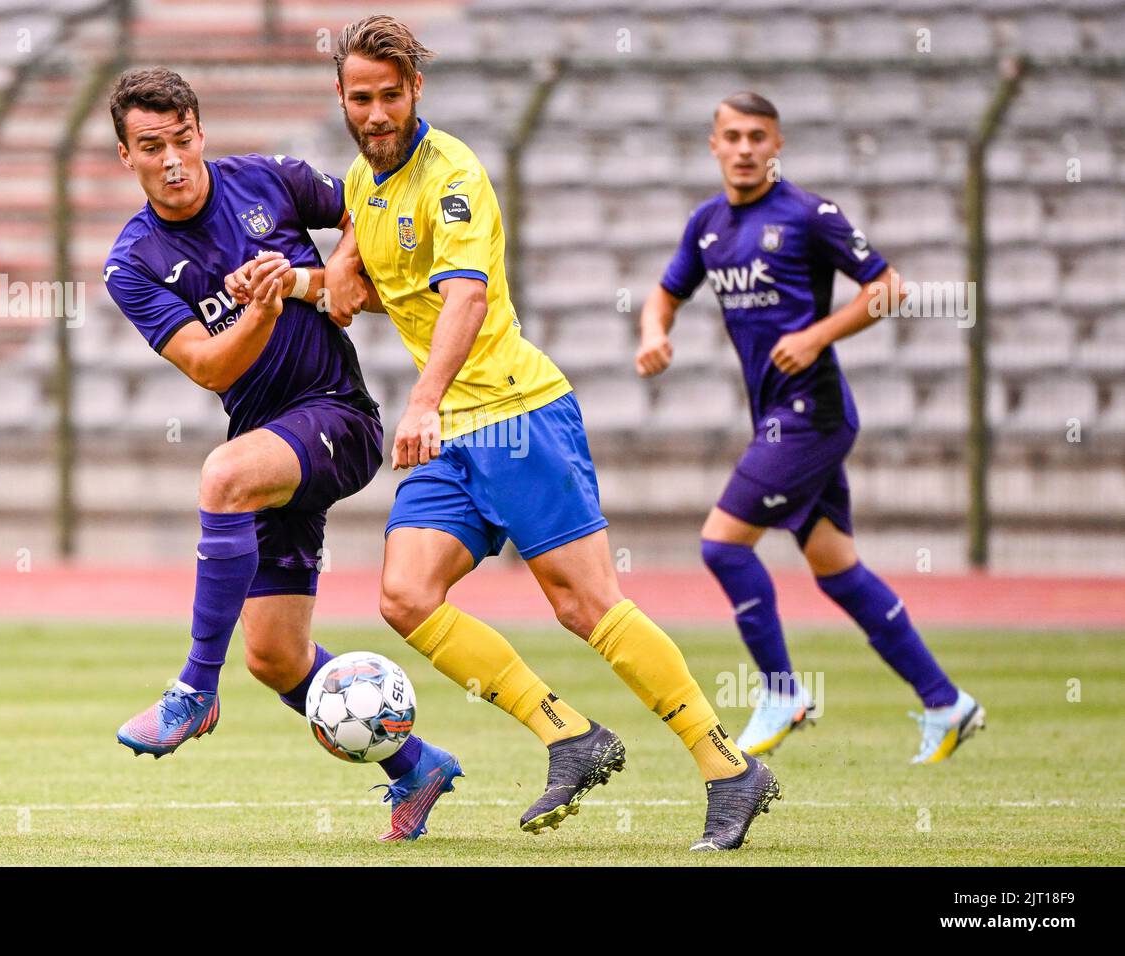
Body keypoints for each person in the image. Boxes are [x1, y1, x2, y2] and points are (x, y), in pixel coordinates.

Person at [324, 16, 780, 850]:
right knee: (404, 597)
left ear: (416, 90)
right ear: (344, 99)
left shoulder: (452, 172)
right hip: (454, 432)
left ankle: (727, 767)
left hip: (513, 414)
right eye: (362, 97)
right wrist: (318, 277)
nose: (378, 111)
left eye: (392, 94)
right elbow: (376, 276)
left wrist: (420, 402)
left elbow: (463, 299)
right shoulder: (361, 180)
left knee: (585, 605)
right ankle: (570, 734)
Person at [102, 67, 460, 841]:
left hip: (337, 417)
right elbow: (209, 365)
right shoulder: (131, 261)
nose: (172, 159)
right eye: (150, 146)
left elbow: (372, 198)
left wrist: (339, 269)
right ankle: (417, 766)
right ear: (125, 155)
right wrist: (267, 305)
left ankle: (195, 689)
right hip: (268, 438)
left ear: (201, 131)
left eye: (182, 139)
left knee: (222, 477)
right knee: (273, 654)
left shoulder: (273, 179)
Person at [636, 91, 985, 764]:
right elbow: (665, 293)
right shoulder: (706, 224)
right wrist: (654, 333)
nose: (744, 148)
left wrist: (817, 335)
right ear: (714, 145)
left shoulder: (808, 214)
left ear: (778, 145)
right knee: (837, 570)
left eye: (757, 137)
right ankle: (947, 702)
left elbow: (887, 286)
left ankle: (782, 692)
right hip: (775, 416)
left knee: (721, 547)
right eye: (732, 136)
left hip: (810, 414)